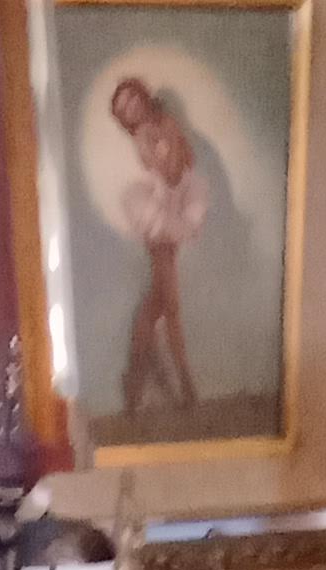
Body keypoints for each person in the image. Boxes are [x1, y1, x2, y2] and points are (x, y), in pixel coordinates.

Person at [106, 73, 208, 415]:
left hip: (179, 204)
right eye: (124, 109)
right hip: (157, 215)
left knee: (154, 308)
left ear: (142, 95)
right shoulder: (142, 137)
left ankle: (133, 383)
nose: (131, 108)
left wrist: (172, 153)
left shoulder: (165, 122)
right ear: (124, 119)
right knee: (172, 306)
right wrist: (167, 154)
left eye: (132, 99)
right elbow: (164, 169)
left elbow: (186, 160)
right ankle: (187, 385)